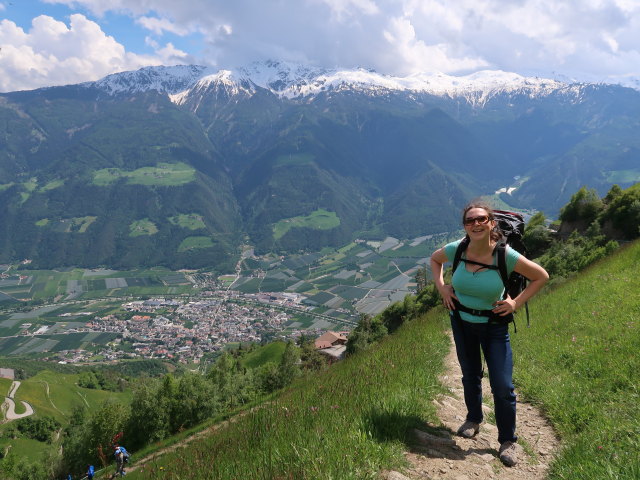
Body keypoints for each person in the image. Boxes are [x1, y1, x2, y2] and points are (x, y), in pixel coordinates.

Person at [430, 201, 549, 467]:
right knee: (470, 374)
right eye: (470, 221)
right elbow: (435, 260)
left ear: (491, 223)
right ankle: (473, 419)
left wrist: (516, 302)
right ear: (465, 227)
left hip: (494, 327)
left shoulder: (505, 255)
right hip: (461, 321)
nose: (475, 224)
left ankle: (508, 440)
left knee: (502, 386)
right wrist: (443, 288)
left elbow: (541, 276)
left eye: (481, 219)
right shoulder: (457, 249)